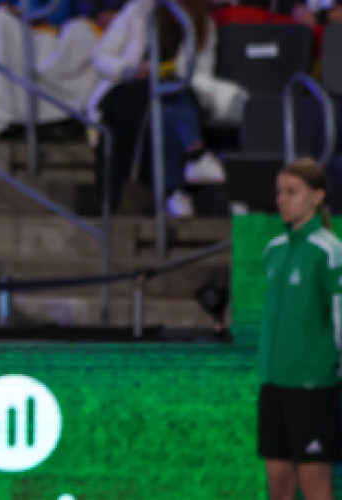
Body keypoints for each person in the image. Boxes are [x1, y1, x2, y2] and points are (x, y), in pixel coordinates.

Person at [89, 0, 240, 217]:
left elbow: (203, 69)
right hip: (129, 87)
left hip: (178, 90)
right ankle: (195, 156)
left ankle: (175, 191)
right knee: (167, 99)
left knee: (170, 100)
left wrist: (177, 74)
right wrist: (131, 69)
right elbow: (101, 55)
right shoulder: (138, 10)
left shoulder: (202, 20)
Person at [258, 158, 342, 500]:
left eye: (292, 192)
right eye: (279, 192)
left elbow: (339, 316)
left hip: (313, 386)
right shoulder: (274, 251)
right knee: (277, 481)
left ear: (317, 196)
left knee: (314, 481)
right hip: (274, 383)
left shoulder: (329, 252)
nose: (282, 199)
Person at [0, 0, 113, 140]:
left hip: (52, 33)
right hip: (13, 30)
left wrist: (35, 15)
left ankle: (63, 117)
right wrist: (12, 11)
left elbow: (64, 10)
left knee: (81, 32)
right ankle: (2, 118)